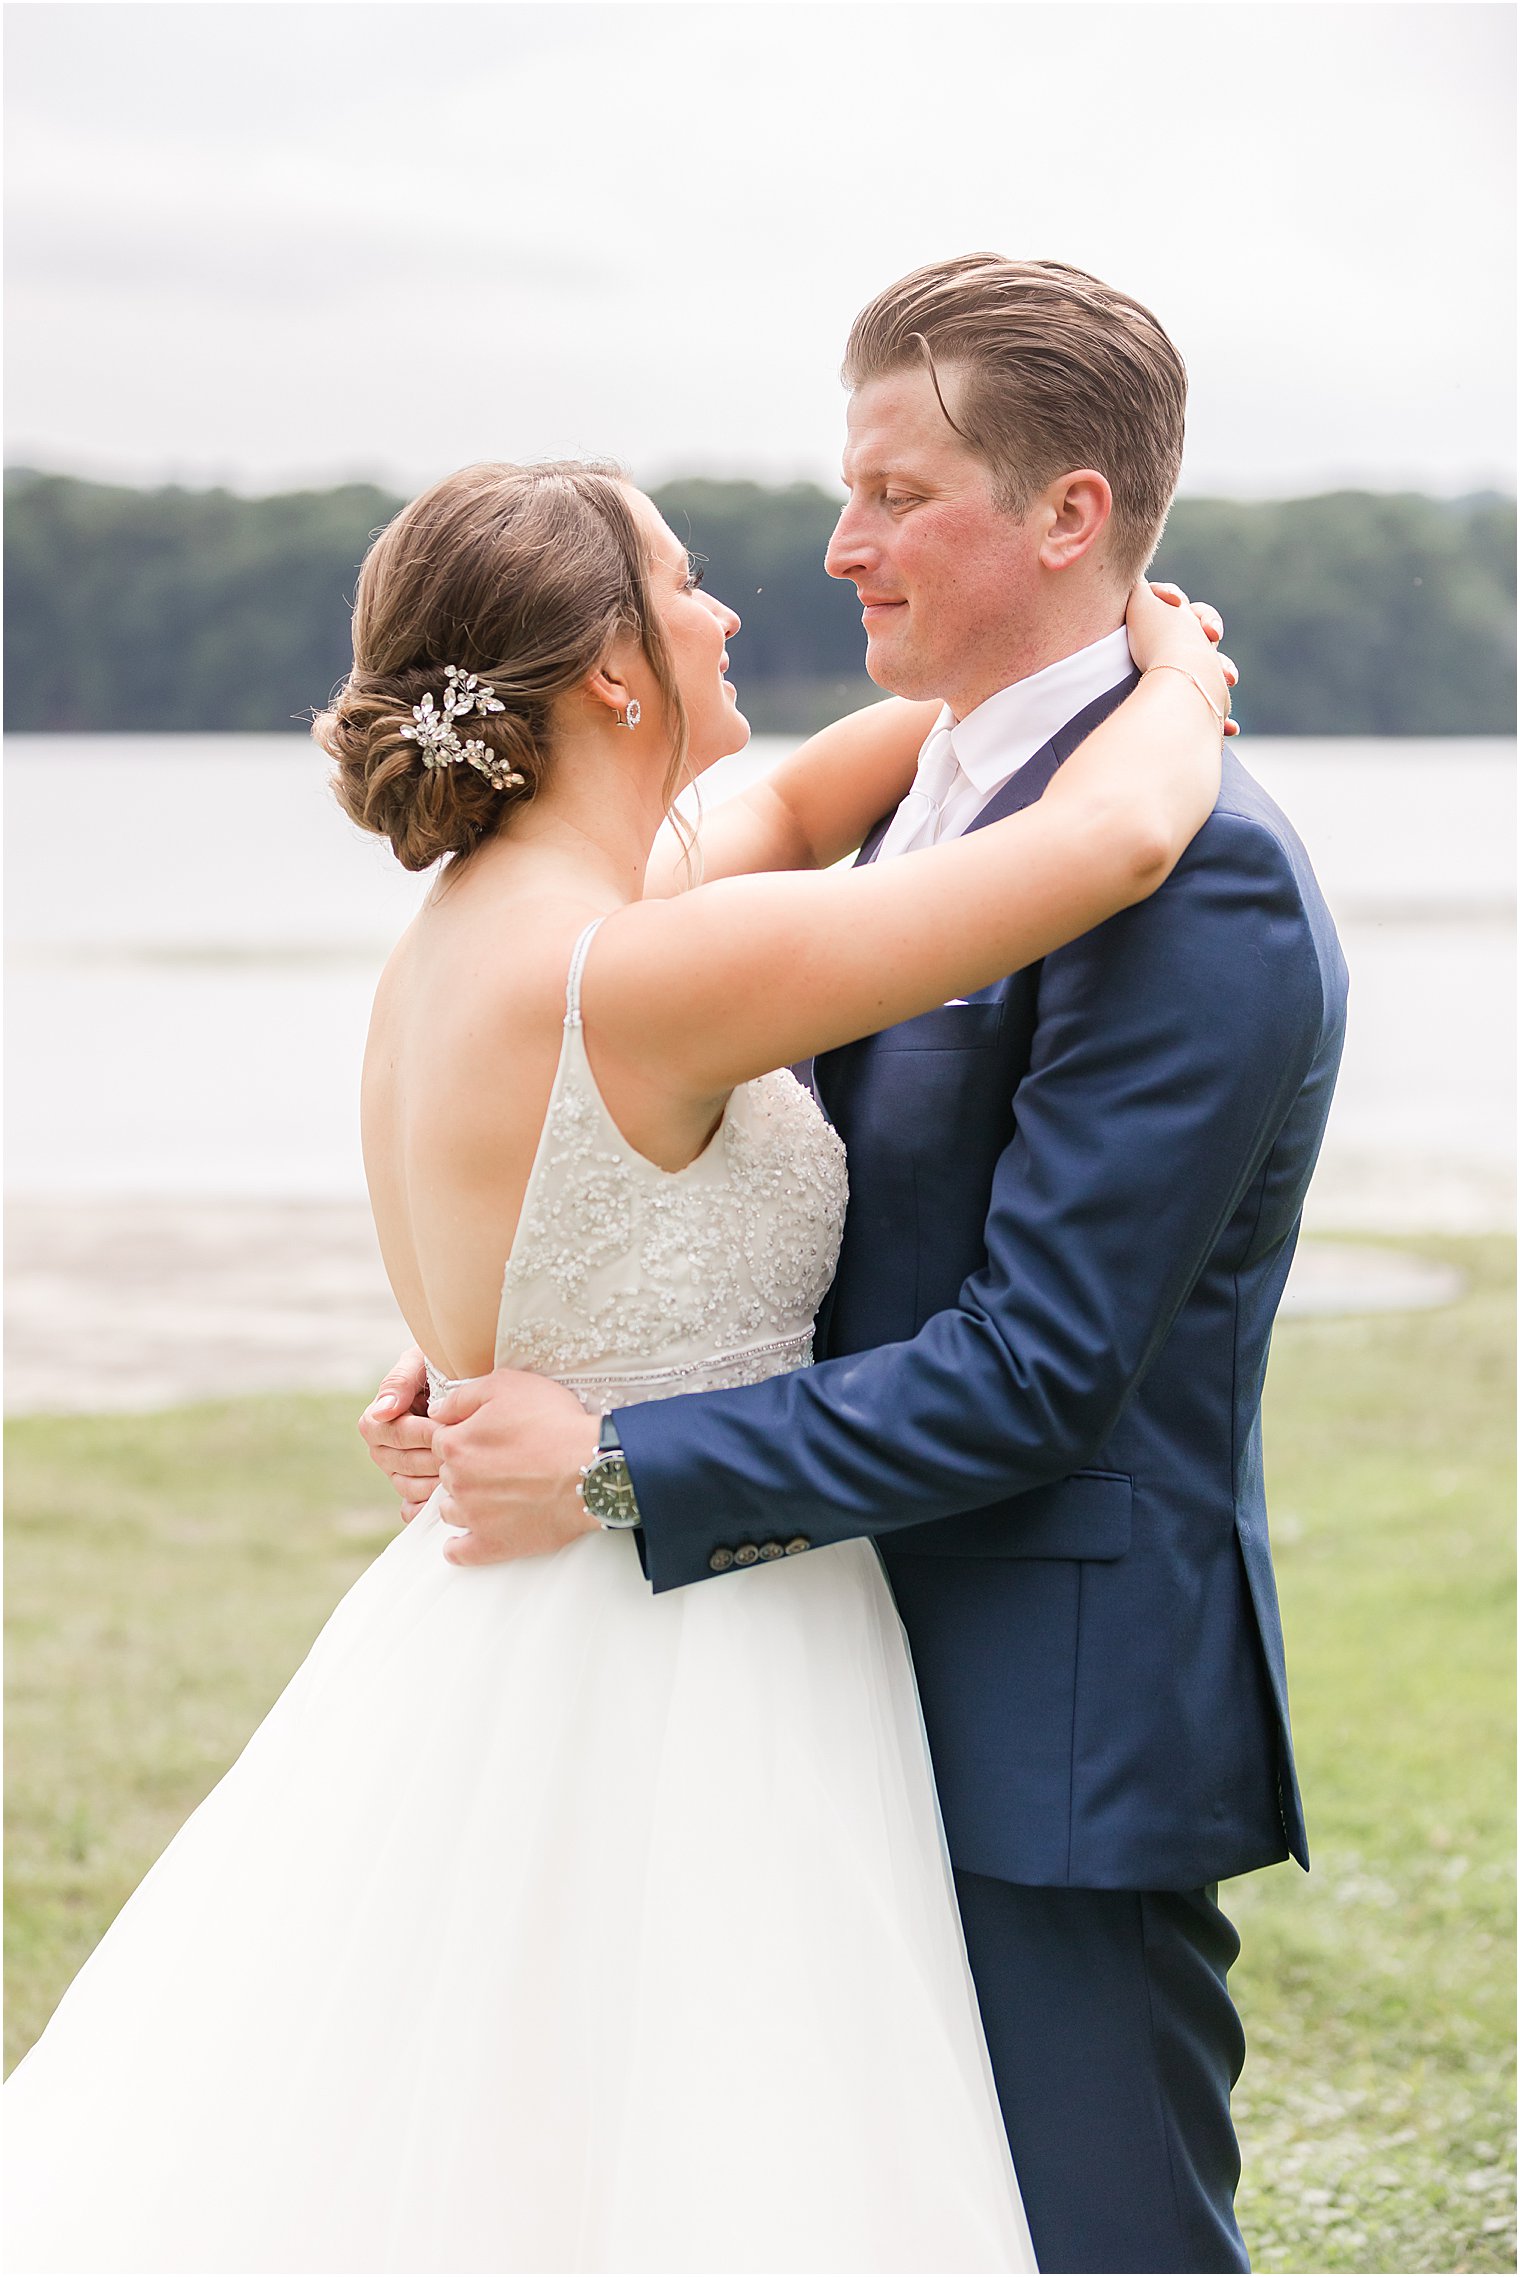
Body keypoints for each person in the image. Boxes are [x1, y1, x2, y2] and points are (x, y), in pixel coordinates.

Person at [3, 423, 1234, 2264]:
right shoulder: (640, 978)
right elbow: (1116, 838)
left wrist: (1075, 619)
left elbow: (815, 797)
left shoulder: (490, 935)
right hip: (688, 1636)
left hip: (505, 1608)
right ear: (605, 668)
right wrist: (1181, 671)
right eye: (681, 585)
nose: (729, 610)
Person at [364, 256, 1349, 2276]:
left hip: (1034, 1718)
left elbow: (1041, 1364)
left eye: (894, 492)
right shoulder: (890, 822)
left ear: (1068, 516)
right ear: (612, 672)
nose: (829, 550)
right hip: (787, 1666)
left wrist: (612, 1444)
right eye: (836, 493)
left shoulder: (1200, 870)